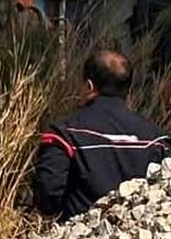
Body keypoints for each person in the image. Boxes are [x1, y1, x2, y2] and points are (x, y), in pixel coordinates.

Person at [33, 49, 169, 220]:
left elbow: (47, 198)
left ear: (89, 86)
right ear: (128, 90)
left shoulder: (64, 134)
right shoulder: (157, 139)